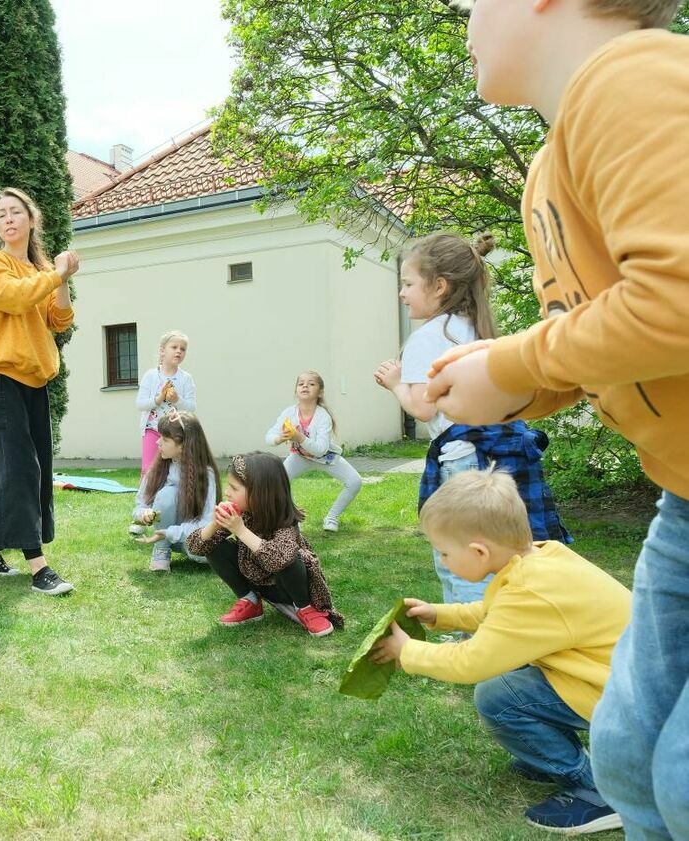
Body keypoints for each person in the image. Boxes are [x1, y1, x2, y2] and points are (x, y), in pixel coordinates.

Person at [424, 5, 688, 834]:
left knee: (679, 774)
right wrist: (497, 385)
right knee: (628, 753)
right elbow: (598, 338)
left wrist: (513, 365)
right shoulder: (548, 166)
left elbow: (676, 295)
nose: (462, 16)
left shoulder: (635, 76)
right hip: (682, 499)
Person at [372, 468, 630, 834]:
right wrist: (439, 615)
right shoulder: (542, 559)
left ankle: (605, 791)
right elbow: (497, 615)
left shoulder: (530, 591)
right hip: (628, 685)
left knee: (499, 697)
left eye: (445, 553)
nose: (443, 562)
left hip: (629, 704)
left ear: (479, 551)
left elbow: (470, 662)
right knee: (516, 684)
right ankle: (550, 758)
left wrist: (408, 651)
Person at [375, 232, 568, 608]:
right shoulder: (478, 329)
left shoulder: (428, 337)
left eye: (408, 284)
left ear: (440, 286)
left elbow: (423, 408)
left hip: (465, 459)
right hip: (505, 452)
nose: (402, 293)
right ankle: (511, 630)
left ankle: (472, 640)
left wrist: (395, 383)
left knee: (461, 556)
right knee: (504, 555)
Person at [0, 187, 78, 595]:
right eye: (1, 215)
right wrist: (56, 275)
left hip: (34, 380)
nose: (9, 219)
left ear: (31, 220)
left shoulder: (40, 269)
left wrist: (62, 280)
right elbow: (13, 299)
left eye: (16, 212)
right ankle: (38, 568)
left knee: (22, 468)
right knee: (20, 467)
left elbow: (59, 319)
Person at [187, 452, 342, 636]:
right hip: (258, 582)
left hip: (289, 589)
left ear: (259, 492)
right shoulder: (243, 513)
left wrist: (241, 531)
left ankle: (305, 608)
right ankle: (250, 600)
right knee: (212, 544)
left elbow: (280, 560)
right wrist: (214, 525)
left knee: (289, 557)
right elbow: (195, 548)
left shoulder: (284, 520)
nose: (227, 492)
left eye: (234, 488)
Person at [266, 370, 362, 533]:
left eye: (311, 384)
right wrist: (280, 438)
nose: (305, 386)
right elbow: (269, 437)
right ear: (296, 390)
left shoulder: (323, 416)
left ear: (320, 392)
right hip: (299, 456)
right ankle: (292, 519)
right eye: (301, 383)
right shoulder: (289, 413)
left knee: (355, 482)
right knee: (278, 481)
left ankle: (332, 517)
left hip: (326, 457)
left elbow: (320, 450)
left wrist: (299, 436)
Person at [131, 411, 219, 572]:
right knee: (167, 495)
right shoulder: (159, 468)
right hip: (166, 534)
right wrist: (143, 514)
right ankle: (161, 551)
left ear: (184, 444)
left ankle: (178, 546)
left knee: (201, 555)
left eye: (165, 439)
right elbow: (139, 506)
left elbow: (207, 523)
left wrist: (171, 533)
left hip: (188, 537)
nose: (158, 442)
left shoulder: (206, 474)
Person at [134, 330, 197, 476]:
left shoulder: (186, 378)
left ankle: (172, 496)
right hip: (152, 430)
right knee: (149, 470)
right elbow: (140, 404)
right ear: (162, 351)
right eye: (174, 347)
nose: (178, 351)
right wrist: (158, 399)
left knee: (174, 471)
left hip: (176, 434)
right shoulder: (150, 376)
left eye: (182, 349)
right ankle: (146, 498)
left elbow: (192, 408)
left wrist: (177, 400)